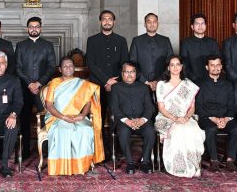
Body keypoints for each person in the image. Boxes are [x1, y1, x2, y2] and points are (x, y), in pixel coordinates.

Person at [44, 56, 104, 175]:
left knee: (85, 129)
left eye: (71, 65)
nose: (68, 68)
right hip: (57, 117)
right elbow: (49, 105)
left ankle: (80, 166)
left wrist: (82, 116)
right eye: (65, 66)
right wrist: (63, 117)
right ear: (60, 69)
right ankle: (61, 167)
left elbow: (88, 102)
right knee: (63, 130)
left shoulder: (81, 83)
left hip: (77, 116)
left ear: (74, 68)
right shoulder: (54, 82)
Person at [155, 55, 205, 178]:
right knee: (178, 131)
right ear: (168, 67)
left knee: (193, 130)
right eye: (172, 65)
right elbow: (161, 108)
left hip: (185, 117)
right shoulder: (161, 84)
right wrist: (176, 119)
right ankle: (179, 167)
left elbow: (192, 107)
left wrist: (187, 118)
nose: (175, 67)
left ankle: (194, 165)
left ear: (182, 67)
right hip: (167, 118)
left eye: (178, 64)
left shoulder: (188, 84)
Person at [15, 16, 56, 159]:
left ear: (40, 28)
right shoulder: (20, 45)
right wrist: (29, 84)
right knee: (24, 118)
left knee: (46, 117)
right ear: (27, 29)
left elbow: (51, 67)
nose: (34, 29)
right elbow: (18, 68)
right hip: (24, 89)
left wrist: (38, 83)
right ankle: (25, 150)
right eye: (31, 26)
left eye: (36, 26)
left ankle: (46, 150)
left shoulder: (47, 45)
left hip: (42, 89)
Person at [86, 10, 129, 148]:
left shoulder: (121, 40)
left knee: (117, 116)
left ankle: (116, 147)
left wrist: (114, 82)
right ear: (100, 22)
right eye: (104, 19)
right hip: (97, 85)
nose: (107, 21)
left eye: (110, 19)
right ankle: (98, 148)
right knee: (97, 116)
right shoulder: (92, 40)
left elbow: (125, 63)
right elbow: (91, 64)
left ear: (114, 22)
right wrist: (106, 80)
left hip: (117, 85)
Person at [196, 55, 237, 172]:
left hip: (225, 117)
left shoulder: (228, 84)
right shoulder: (200, 84)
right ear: (207, 67)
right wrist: (215, 119)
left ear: (221, 66)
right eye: (212, 65)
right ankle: (214, 161)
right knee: (211, 129)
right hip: (207, 117)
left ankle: (230, 160)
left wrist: (225, 119)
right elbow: (199, 107)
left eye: (218, 65)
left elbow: (232, 106)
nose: (215, 68)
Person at [111, 61, 155, 174]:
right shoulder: (116, 87)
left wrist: (142, 120)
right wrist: (127, 121)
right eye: (126, 72)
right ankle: (130, 163)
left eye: (132, 72)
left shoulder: (144, 87)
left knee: (150, 131)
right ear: (122, 73)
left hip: (142, 121)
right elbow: (114, 108)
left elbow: (149, 107)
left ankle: (145, 161)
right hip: (124, 121)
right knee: (124, 132)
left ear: (136, 73)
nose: (129, 74)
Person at [129, 13, 174, 91]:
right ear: (145, 24)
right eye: (149, 22)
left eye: (154, 21)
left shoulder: (165, 40)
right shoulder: (137, 40)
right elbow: (132, 63)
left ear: (158, 24)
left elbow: (170, 62)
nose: (152, 24)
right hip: (140, 83)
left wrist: (158, 81)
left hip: (162, 83)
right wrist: (145, 81)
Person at [180, 13, 220, 84]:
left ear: (206, 26)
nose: (200, 26)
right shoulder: (186, 43)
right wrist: (193, 77)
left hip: (211, 80)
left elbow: (218, 61)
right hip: (192, 81)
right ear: (192, 27)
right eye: (197, 24)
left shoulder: (212, 42)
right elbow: (184, 63)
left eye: (202, 23)